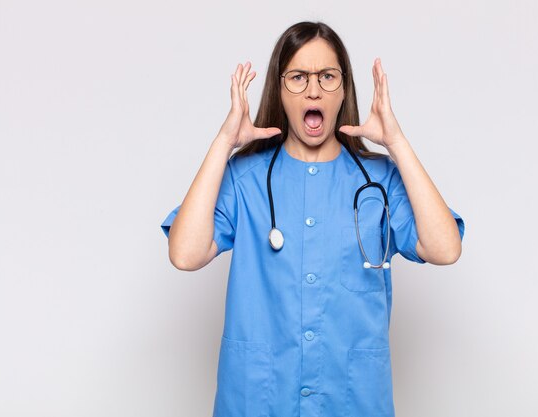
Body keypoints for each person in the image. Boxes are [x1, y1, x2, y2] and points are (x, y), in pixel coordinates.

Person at [160, 21, 465, 417]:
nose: (314, 90)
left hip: (352, 399)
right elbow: (185, 254)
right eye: (298, 77)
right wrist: (223, 143)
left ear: (343, 89)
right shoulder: (244, 178)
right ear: (279, 88)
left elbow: (445, 249)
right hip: (257, 400)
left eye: (327, 76)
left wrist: (396, 142)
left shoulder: (379, 180)